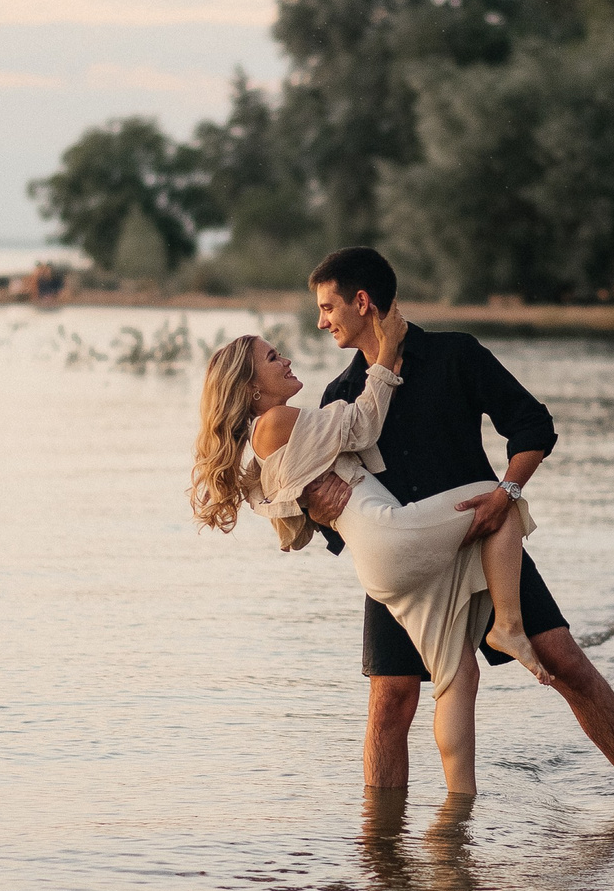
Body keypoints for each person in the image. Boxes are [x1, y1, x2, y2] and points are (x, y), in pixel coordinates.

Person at [301, 247, 614, 801]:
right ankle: (382, 846)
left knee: (565, 661)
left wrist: (506, 495)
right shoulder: (341, 398)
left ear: (362, 301)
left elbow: (532, 423)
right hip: (407, 566)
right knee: (391, 699)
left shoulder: (454, 356)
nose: (322, 321)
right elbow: (336, 513)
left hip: (487, 540)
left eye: (328, 307)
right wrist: (318, 511)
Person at [189, 304, 550, 796]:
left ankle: (457, 809)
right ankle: (507, 626)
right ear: (253, 387)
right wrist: (387, 359)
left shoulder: (263, 447)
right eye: (273, 358)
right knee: (500, 499)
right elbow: (362, 426)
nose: (287, 360)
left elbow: (289, 531)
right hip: (391, 534)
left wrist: (306, 501)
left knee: (457, 678)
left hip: (380, 566)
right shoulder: (276, 421)